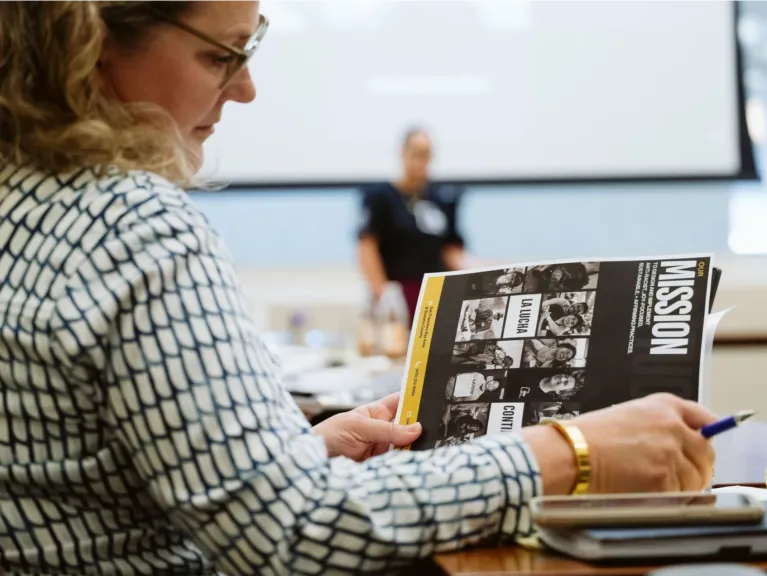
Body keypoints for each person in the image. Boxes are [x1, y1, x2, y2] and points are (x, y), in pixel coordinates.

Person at [0, 1, 719, 575]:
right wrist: (570, 450)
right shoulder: (132, 223)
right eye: (220, 55)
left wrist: (297, 457)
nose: (245, 88)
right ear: (87, 38)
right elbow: (290, 534)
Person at [357, 127, 467, 320]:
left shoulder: (442, 198)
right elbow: (367, 247)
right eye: (416, 154)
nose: (421, 162)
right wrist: (382, 291)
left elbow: (452, 251)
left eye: (426, 155)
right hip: (398, 293)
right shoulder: (381, 197)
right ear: (403, 153)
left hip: (435, 294)